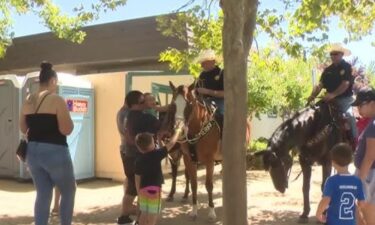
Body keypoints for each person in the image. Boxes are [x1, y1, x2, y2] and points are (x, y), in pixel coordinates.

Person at [19, 62, 76, 225]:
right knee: (68, 190)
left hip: (32, 152)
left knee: (43, 193)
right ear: (53, 81)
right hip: (54, 151)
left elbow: (23, 127)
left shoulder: (28, 100)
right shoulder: (56, 99)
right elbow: (66, 129)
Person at [117, 90, 161, 225]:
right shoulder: (132, 115)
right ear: (133, 104)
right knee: (139, 188)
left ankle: (124, 217)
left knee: (132, 187)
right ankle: (139, 220)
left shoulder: (123, 113)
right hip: (134, 154)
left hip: (127, 152)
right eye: (142, 102)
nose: (144, 104)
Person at [134, 121, 184, 225]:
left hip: (143, 190)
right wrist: (178, 130)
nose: (155, 142)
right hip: (154, 191)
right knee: (152, 215)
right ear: (151, 145)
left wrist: (139, 193)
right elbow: (171, 144)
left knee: (144, 212)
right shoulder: (156, 155)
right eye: (154, 141)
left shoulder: (138, 160)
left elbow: (137, 178)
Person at [307, 43, 357, 140]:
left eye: (336, 54)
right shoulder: (327, 70)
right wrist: (312, 95)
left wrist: (333, 94)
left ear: (342, 54)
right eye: (331, 54)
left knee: (350, 117)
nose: (333, 56)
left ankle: (355, 142)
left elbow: (345, 84)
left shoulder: (347, 67)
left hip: (344, 100)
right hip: (328, 100)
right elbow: (320, 85)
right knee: (313, 113)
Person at [315, 143, 365, 225]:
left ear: (333, 162)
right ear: (350, 160)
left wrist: (318, 214)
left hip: (333, 222)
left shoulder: (331, 181)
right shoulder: (357, 181)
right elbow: (361, 204)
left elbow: (325, 200)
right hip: (350, 222)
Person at [351, 88, 375, 225]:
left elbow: (371, 155)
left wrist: (359, 180)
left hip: (369, 175)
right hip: (369, 174)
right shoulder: (371, 123)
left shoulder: (373, 125)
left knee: (366, 213)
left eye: (361, 105)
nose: (358, 109)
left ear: (372, 103)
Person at [194, 49, 224, 133]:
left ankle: (223, 138)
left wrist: (207, 91)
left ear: (212, 61)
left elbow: (225, 94)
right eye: (201, 63)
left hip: (219, 102)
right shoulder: (202, 75)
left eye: (203, 62)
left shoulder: (221, 73)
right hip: (203, 102)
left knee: (222, 115)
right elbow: (196, 91)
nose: (201, 65)